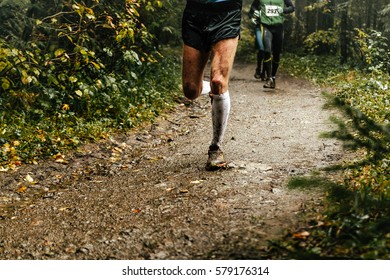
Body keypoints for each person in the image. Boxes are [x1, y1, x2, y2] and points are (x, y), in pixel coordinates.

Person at [181, 0, 242, 171]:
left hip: (227, 12)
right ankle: (216, 93)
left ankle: (216, 147)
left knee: (218, 80)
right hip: (195, 13)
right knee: (190, 90)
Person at [249, 0, 295, 89]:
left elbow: (292, 7)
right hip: (265, 26)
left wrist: (283, 10)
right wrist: (256, 12)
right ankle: (269, 78)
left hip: (278, 27)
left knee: (277, 54)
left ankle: (273, 77)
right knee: (267, 50)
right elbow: (253, 6)